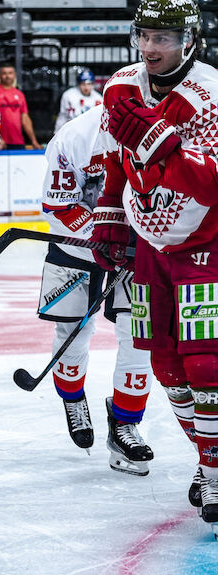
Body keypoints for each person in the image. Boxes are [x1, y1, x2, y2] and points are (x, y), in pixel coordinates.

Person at [91, 0, 218, 520]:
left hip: (204, 244)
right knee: (164, 363)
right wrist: (109, 215)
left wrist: (163, 147)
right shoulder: (121, 86)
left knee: (205, 362)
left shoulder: (210, 94)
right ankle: (209, 460)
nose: (149, 47)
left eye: (162, 38)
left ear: (189, 41)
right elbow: (116, 157)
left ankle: (214, 473)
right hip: (149, 246)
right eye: (143, 36)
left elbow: (211, 184)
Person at [38, 107, 153, 474]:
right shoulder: (74, 137)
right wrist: (102, 236)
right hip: (75, 243)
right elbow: (58, 202)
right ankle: (72, 397)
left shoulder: (164, 131)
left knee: (139, 333)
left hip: (138, 246)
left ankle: (124, 424)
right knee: (73, 328)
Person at [0, 64, 41, 150]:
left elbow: (25, 119)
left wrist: (34, 141)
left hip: (18, 141)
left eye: (10, 73)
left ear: (14, 75)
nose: (7, 76)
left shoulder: (19, 94)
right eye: (4, 73)